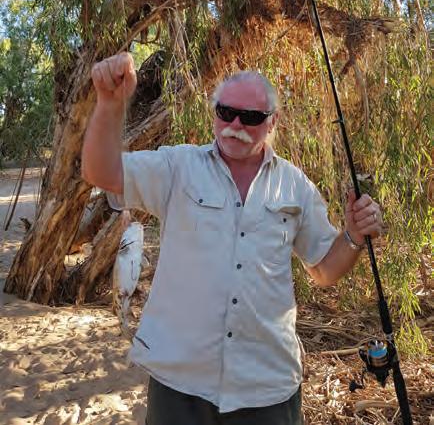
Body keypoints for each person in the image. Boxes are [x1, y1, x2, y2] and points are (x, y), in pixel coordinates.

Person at [81, 52, 383, 425]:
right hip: (180, 382)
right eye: (226, 112)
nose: (235, 124)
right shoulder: (178, 167)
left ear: (273, 122)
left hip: (267, 385)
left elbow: (324, 270)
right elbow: (102, 171)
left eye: (251, 117)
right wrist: (109, 104)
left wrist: (353, 235)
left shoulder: (295, 186)